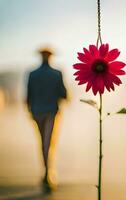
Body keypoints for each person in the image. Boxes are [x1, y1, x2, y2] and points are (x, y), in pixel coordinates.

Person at [26, 48, 67, 191]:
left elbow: (28, 95)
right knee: (48, 142)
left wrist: (30, 111)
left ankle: (46, 171)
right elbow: (64, 94)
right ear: (50, 57)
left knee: (42, 141)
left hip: (37, 111)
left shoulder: (32, 74)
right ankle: (48, 173)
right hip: (50, 112)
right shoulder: (57, 73)